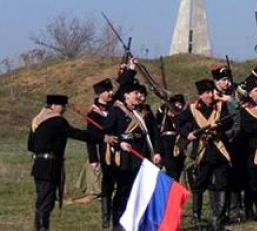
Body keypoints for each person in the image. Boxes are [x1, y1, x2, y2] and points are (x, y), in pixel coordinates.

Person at [29, 95, 113, 231]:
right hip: (50, 165)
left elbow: (30, 145)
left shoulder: (37, 120)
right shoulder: (57, 121)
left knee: (42, 199)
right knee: (46, 202)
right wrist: (102, 138)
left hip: (38, 164)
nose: (64, 109)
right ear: (53, 106)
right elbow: (77, 134)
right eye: (62, 106)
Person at [104, 83, 162, 229]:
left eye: (139, 93)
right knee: (124, 191)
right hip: (125, 157)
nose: (138, 96)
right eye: (135, 93)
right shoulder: (116, 111)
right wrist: (119, 144)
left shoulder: (145, 111)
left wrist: (157, 152)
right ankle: (119, 224)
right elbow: (107, 133)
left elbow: (154, 133)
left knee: (142, 191)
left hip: (143, 154)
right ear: (126, 95)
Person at [179, 79, 234, 231]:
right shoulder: (192, 108)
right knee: (199, 185)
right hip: (202, 151)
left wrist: (219, 126)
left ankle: (220, 217)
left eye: (211, 92)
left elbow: (229, 122)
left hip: (219, 149)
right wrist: (187, 134)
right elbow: (179, 122)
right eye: (207, 93)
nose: (210, 95)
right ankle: (197, 216)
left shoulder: (220, 105)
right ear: (200, 95)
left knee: (222, 183)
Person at [237, 70, 257, 221]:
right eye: (256, 90)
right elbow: (246, 128)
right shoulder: (245, 109)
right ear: (249, 93)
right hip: (251, 151)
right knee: (252, 184)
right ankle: (250, 211)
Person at [86, 78, 116, 229]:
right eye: (107, 91)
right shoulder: (93, 113)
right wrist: (93, 159)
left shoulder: (115, 107)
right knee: (108, 184)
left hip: (120, 149)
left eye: (111, 90)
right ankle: (106, 218)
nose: (111, 93)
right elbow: (90, 138)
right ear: (100, 93)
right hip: (105, 151)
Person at [155, 94, 187, 181]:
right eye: (177, 104)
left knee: (179, 168)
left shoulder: (181, 116)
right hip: (166, 144)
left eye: (181, 105)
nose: (179, 107)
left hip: (179, 143)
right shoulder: (164, 113)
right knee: (171, 170)